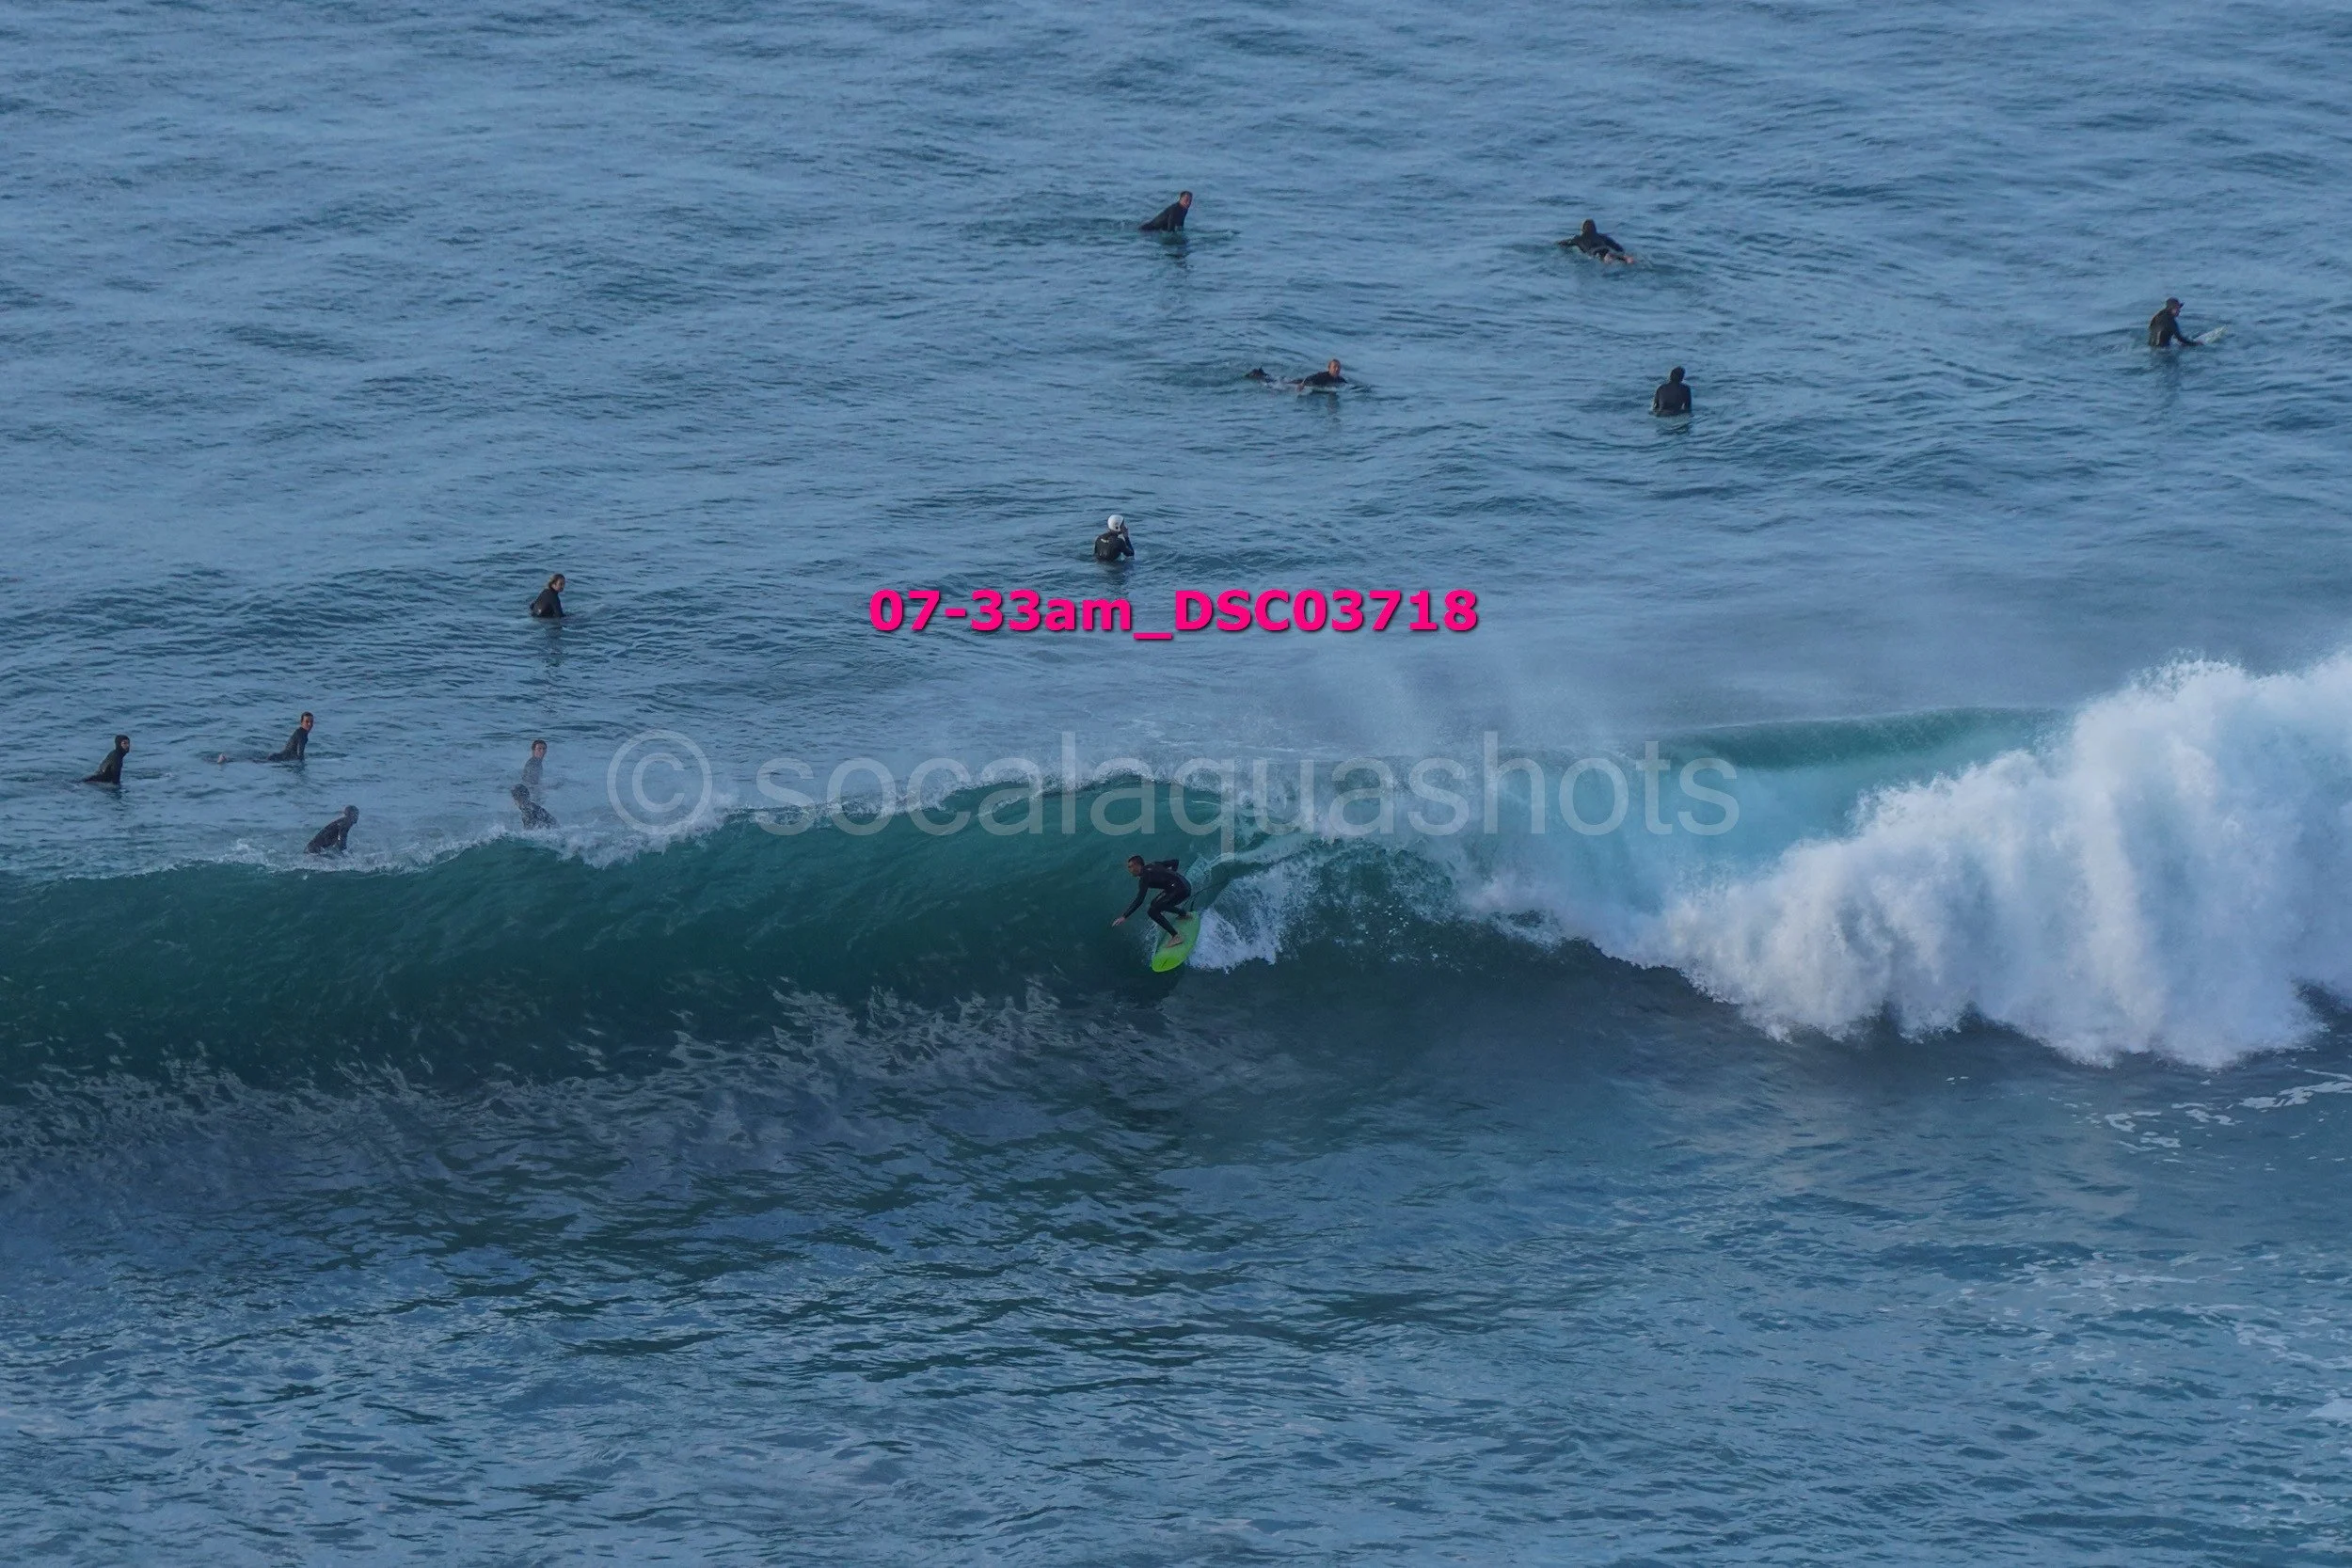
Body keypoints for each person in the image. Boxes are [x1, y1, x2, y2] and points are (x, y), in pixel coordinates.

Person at [1114, 855, 1192, 940]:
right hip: (1184, 884)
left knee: (1152, 911)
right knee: (1154, 903)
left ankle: (1176, 937)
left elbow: (1140, 899)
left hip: (1182, 890)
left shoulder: (1144, 877)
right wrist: (1172, 877)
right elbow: (1175, 861)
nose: (1129, 870)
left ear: (1137, 865)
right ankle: (1183, 914)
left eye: (1130, 867)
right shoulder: (1154, 864)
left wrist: (1124, 916)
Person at [1560, 218, 1629, 261]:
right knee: (1615, 256)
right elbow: (1618, 248)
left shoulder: (1578, 239)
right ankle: (1628, 259)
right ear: (1595, 229)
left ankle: (1608, 260)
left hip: (1595, 252)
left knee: (1605, 259)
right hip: (1607, 249)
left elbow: (1565, 243)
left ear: (1582, 230)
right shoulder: (1602, 237)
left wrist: (1557, 243)